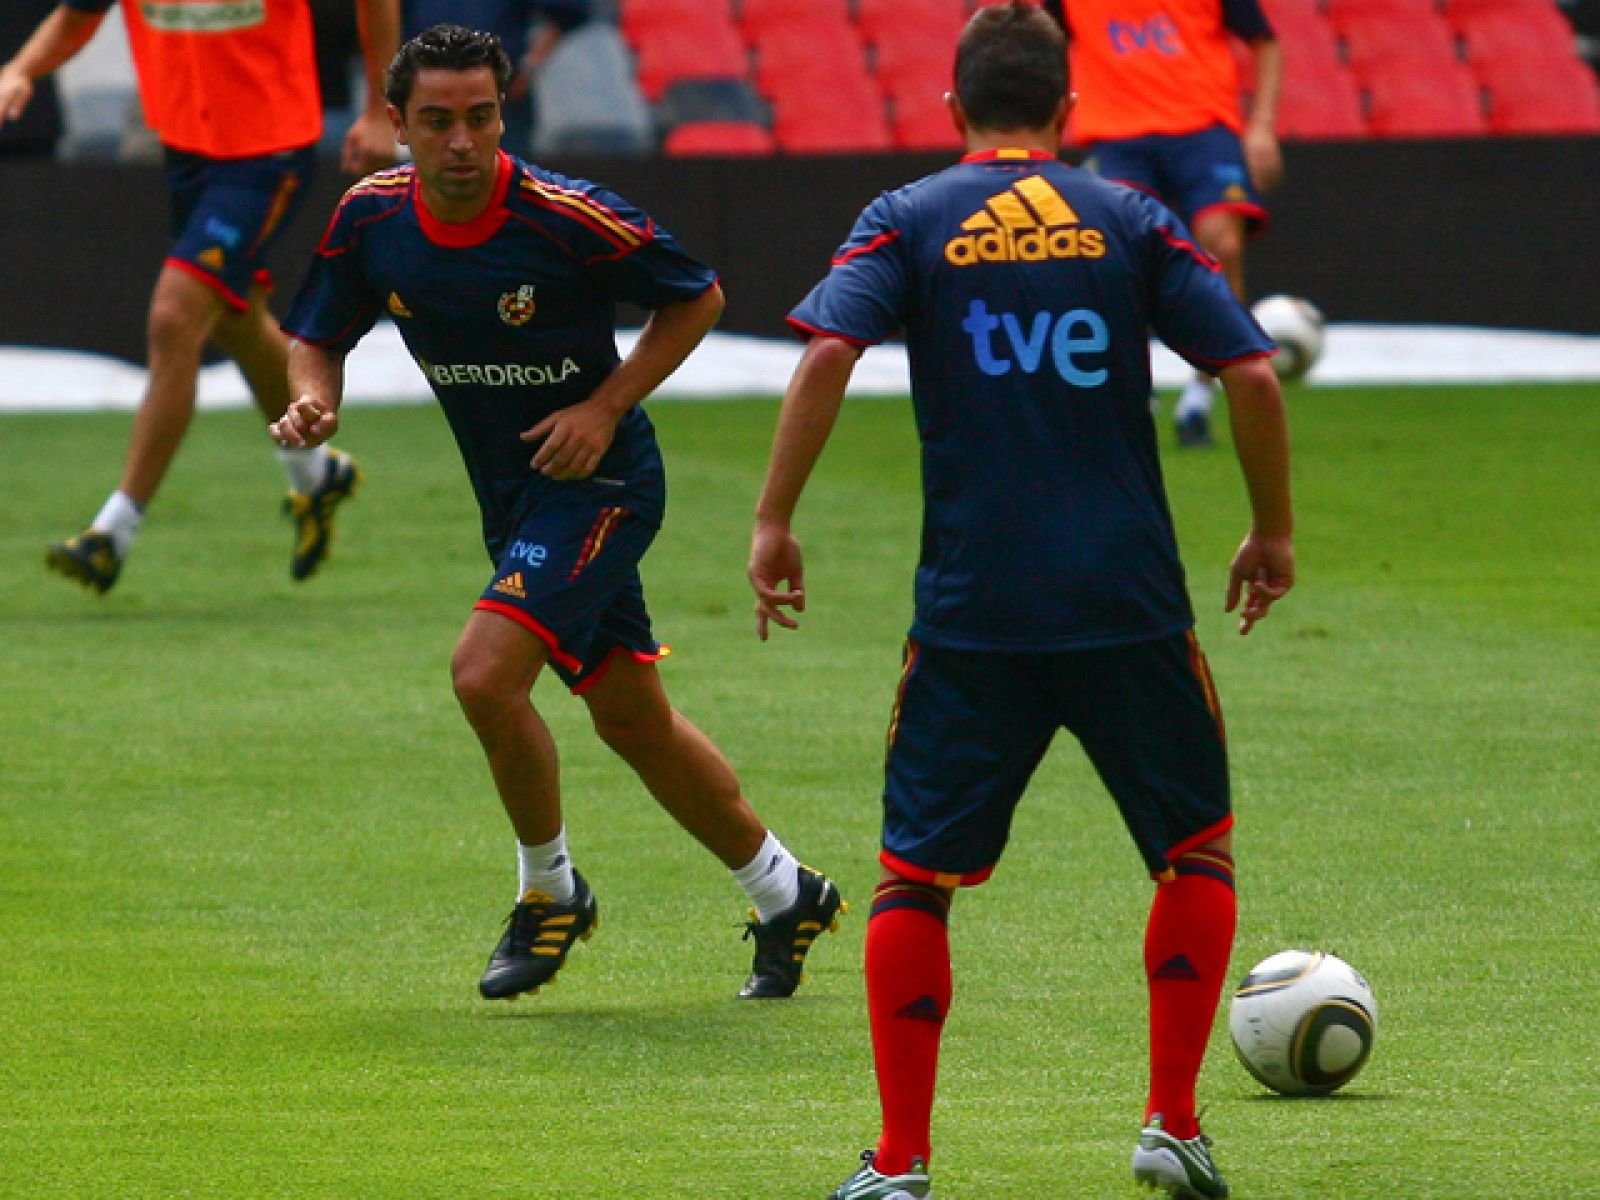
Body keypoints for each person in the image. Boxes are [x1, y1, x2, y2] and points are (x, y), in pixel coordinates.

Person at [747, 5, 1291, 1197]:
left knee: (913, 879)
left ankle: (900, 1162)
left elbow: (828, 352)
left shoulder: (906, 216)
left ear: (952, 108)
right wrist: (1270, 531)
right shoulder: (1130, 216)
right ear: (1069, 108)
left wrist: (774, 517)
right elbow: (1251, 372)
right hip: (1127, 600)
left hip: (973, 609)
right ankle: (1171, 1123)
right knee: (1192, 852)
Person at [271, 24, 844, 1003]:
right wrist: (314, 400)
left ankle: (550, 891)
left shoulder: (566, 215)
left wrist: (603, 406)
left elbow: (697, 298)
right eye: (438, 121)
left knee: (483, 675)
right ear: (398, 123)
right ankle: (787, 892)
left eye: (481, 117)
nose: (462, 141)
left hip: (603, 488)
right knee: (632, 722)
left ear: (506, 114)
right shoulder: (370, 218)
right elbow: (316, 333)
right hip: (514, 498)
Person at [0, 0, 400, 594]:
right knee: (236, 321)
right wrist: (21, 69)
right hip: (188, 147)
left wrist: (378, 111)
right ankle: (317, 474)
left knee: (174, 316)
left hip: (269, 152)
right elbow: (79, 13)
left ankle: (113, 531)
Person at [1047, 0, 1283, 447]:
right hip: (1116, 134)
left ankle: (1202, 395)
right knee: (1110, 249)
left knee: (1222, 244)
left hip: (1203, 126)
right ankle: (1130, 383)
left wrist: (1262, 126)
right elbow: (1043, 43)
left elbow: (1265, 42)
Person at [401, 0, 588, 155]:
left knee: (504, 179)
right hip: (424, 91)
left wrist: (530, 64)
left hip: (501, 95)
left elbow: (567, 10)